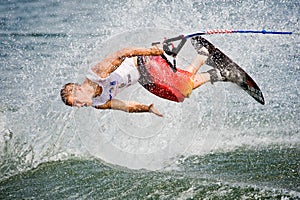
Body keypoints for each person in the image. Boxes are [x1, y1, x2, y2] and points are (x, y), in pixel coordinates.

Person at [60, 44, 225, 117]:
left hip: (143, 62)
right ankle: (208, 63)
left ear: (78, 89)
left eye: (77, 102)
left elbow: (122, 53)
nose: (80, 106)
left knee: (181, 85)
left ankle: (215, 68)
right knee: (178, 95)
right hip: (143, 78)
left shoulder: (97, 74)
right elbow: (125, 106)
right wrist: (147, 108)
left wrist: (150, 52)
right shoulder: (98, 103)